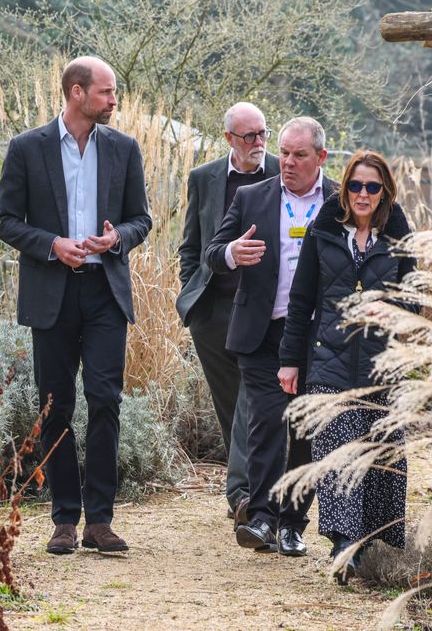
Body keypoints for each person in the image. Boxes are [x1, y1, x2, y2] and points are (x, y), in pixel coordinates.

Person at [0, 56, 152, 555]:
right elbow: (5, 221)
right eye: (106, 93)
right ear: (77, 92)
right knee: (55, 406)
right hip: (52, 293)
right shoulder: (26, 148)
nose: (114, 101)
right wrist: (51, 244)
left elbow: (140, 220)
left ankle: (99, 521)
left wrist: (117, 239)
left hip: (105, 291)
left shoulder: (125, 148)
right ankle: (64, 519)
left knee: (105, 401)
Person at [277, 150, 417, 583]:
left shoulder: (398, 238)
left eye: (371, 187)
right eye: (355, 185)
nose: (362, 194)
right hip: (329, 361)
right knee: (336, 455)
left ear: (384, 193)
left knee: (382, 458)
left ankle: (371, 544)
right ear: (345, 189)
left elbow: (415, 300)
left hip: (381, 366)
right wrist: (289, 361)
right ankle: (343, 546)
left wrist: (394, 313)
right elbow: (301, 301)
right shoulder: (324, 232)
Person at [204, 117, 335, 556]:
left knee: (306, 429)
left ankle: (293, 523)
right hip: (263, 331)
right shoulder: (252, 196)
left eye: (299, 155)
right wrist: (231, 253)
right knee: (265, 422)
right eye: (285, 153)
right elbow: (211, 255)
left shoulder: (340, 200)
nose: (288, 163)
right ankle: (260, 517)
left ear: (321, 157)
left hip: (318, 336)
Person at [176, 102, 278, 528]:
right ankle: (247, 494)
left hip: (265, 310)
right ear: (228, 140)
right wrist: (190, 292)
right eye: (248, 136)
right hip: (214, 310)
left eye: (262, 134)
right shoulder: (204, 178)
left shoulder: (284, 172)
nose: (258, 143)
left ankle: (245, 497)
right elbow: (191, 245)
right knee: (230, 405)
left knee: (255, 403)